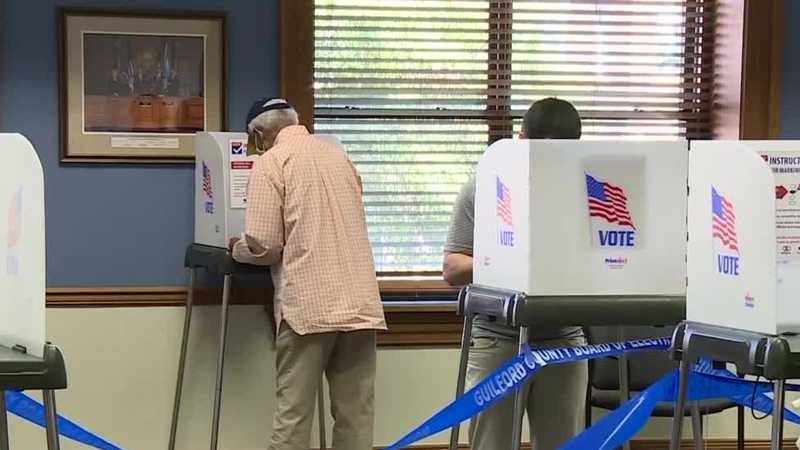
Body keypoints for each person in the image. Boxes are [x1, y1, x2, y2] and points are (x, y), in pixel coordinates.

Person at [230, 98, 386, 450]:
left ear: (258, 133)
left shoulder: (271, 162)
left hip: (308, 308)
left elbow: (265, 244)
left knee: (293, 418)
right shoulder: (339, 158)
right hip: (360, 304)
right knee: (355, 417)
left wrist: (237, 247)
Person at [443, 97, 587, 450]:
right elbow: (452, 268)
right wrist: (503, 258)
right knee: (491, 444)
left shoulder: (585, 192)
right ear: (521, 141)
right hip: (497, 339)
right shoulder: (483, 187)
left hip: (563, 338)